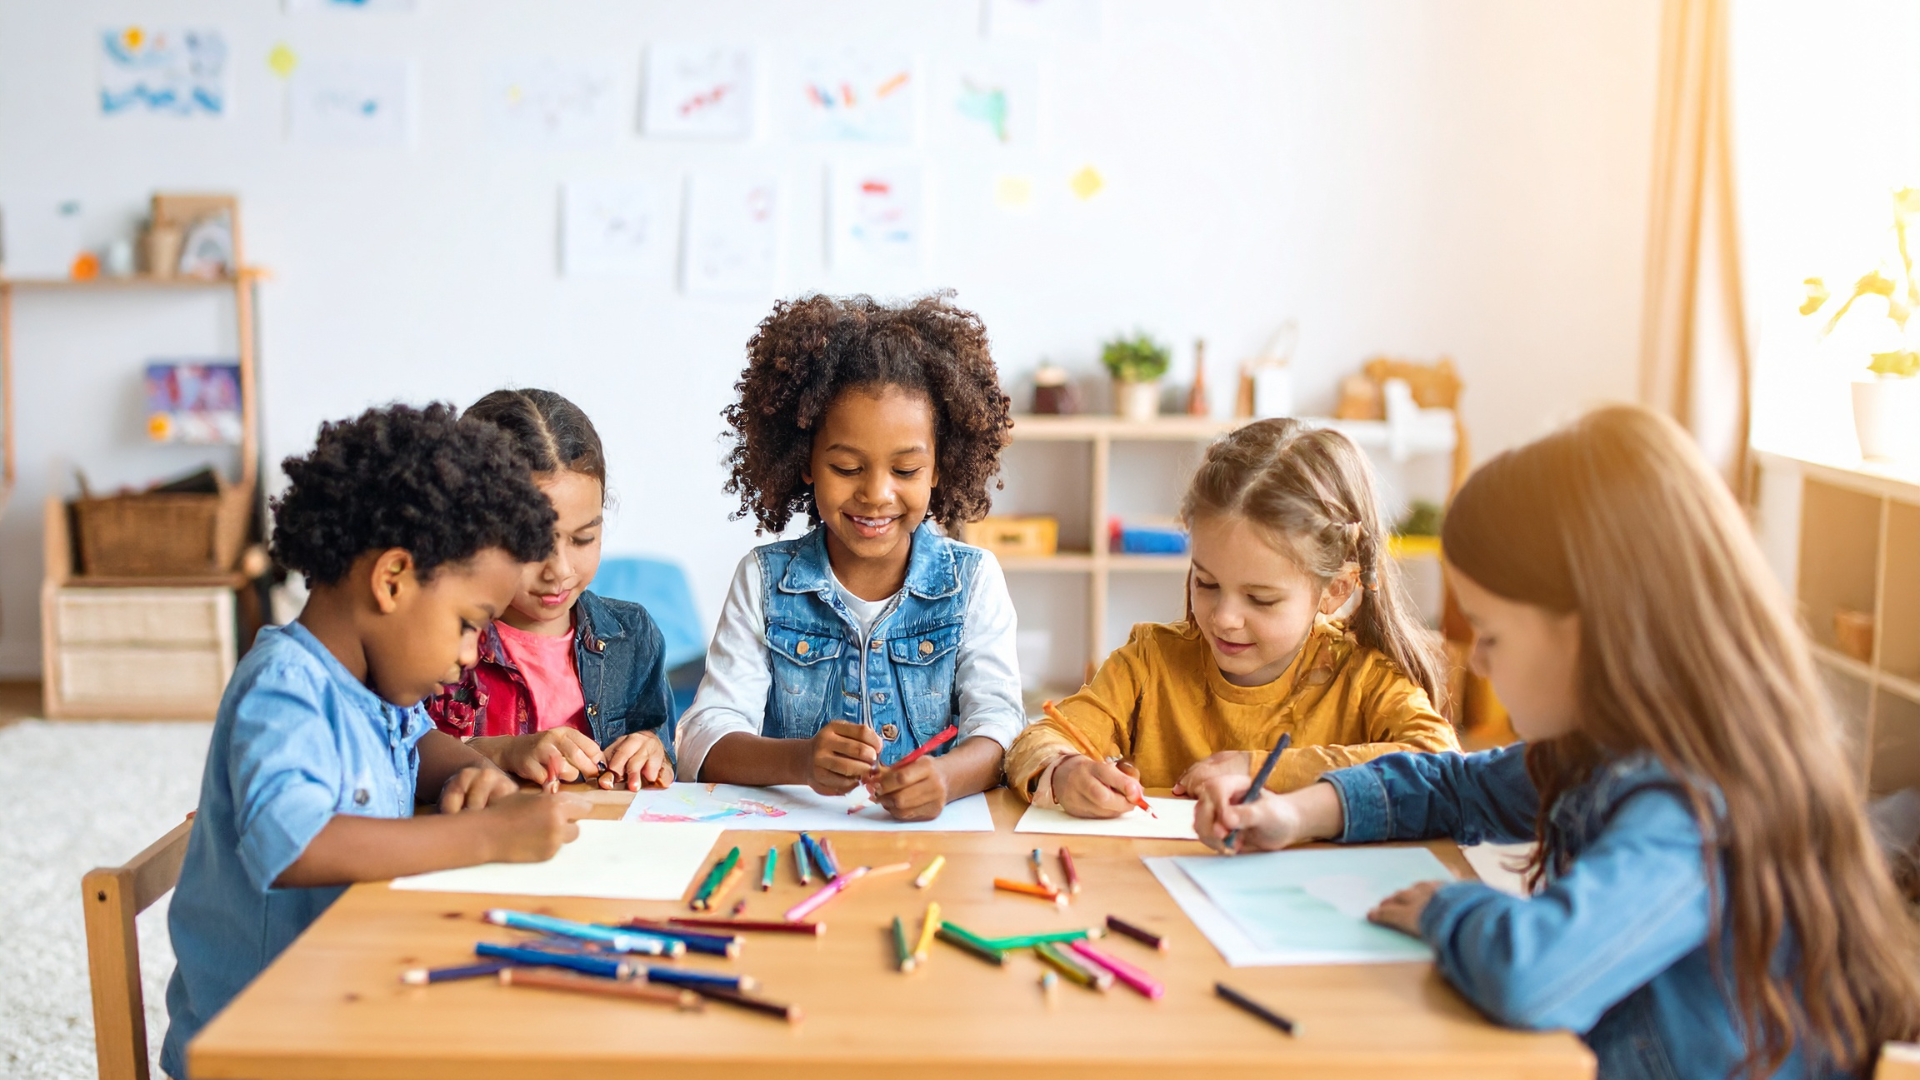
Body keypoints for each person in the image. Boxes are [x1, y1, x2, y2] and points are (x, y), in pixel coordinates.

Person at [1192, 406, 1920, 1080]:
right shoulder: (1609, 748)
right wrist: (1299, 813)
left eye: (1494, 634)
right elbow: (1456, 784)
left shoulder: (1692, 805)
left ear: (1593, 633)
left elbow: (1532, 972)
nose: (1477, 662)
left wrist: (1443, 909)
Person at [163, 404, 592, 1079]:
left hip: (348, 995)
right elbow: (294, 844)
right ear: (392, 580)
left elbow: (420, 745)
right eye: (467, 623)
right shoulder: (284, 687)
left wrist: (480, 775)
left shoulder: (372, 687)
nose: (470, 653)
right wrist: (489, 838)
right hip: (261, 1046)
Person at [676, 293, 1025, 820]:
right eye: (846, 467)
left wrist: (947, 778)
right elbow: (703, 738)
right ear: (805, 462)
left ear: (939, 469)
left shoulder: (973, 580)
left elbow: (1000, 725)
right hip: (796, 847)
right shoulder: (764, 582)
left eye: (905, 471)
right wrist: (800, 760)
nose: (876, 494)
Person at [1005, 418, 1458, 817]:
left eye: (1260, 599)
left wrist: (1261, 770)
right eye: (1206, 583)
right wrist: (1064, 771)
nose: (1224, 618)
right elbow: (1037, 740)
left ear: (1335, 589)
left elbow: (1442, 765)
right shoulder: (1148, 663)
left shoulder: (1365, 680)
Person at [427, 388, 675, 792]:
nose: (559, 570)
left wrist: (651, 750)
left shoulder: (632, 635)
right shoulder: (439, 641)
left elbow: (661, 745)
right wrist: (504, 751)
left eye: (582, 539)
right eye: (531, 544)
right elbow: (402, 754)